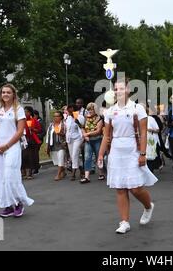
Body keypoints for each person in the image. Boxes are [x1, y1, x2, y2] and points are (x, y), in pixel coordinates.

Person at [97, 79, 157, 234]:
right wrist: (100, 154)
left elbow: (143, 132)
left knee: (135, 188)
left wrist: (143, 153)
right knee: (120, 188)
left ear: (129, 90)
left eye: (122, 88)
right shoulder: (110, 111)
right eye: (116, 89)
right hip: (116, 151)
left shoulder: (137, 109)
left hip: (132, 149)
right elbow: (106, 135)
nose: (118, 91)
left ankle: (148, 206)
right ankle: (124, 221)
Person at [0, 84, 34, 218]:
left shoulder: (18, 109)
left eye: (8, 92)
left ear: (13, 94)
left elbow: (20, 131)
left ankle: (19, 203)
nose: (5, 94)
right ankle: (8, 206)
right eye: (3, 92)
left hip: (12, 147)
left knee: (10, 175)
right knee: (1, 177)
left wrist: (7, 145)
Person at [81, 102, 104, 183]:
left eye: (91, 109)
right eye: (88, 109)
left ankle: (101, 173)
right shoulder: (85, 118)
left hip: (97, 139)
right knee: (87, 157)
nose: (90, 111)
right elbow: (82, 127)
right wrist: (84, 135)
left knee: (99, 156)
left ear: (95, 110)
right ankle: (87, 177)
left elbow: (98, 131)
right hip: (88, 140)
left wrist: (87, 134)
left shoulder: (99, 118)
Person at [45, 111, 67, 181]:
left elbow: (67, 134)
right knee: (56, 162)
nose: (55, 118)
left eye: (57, 116)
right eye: (54, 116)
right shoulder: (51, 125)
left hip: (61, 145)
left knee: (60, 159)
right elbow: (48, 136)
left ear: (61, 117)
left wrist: (60, 133)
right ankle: (63, 170)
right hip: (53, 145)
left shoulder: (64, 125)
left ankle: (58, 175)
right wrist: (47, 146)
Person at [66, 104, 85, 181]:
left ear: (74, 110)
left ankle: (73, 172)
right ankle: (81, 169)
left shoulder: (80, 116)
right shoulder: (68, 118)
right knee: (74, 155)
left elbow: (82, 127)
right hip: (70, 139)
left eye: (70, 110)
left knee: (74, 155)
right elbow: (68, 129)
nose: (68, 111)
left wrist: (77, 121)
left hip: (78, 138)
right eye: (68, 110)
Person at [22, 106, 42, 180]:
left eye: (26, 111)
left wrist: (33, 129)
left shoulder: (34, 120)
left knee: (30, 156)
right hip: (23, 140)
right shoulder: (21, 120)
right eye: (24, 111)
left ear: (30, 112)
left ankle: (29, 172)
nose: (25, 113)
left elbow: (39, 130)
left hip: (31, 140)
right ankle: (23, 171)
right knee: (23, 156)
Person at [32, 110, 45, 175]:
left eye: (33, 115)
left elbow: (43, 132)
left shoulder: (40, 122)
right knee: (32, 154)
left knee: (35, 153)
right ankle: (35, 166)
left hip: (38, 140)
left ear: (36, 115)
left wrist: (38, 136)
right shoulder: (32, 121)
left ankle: (36, 168)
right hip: (32, 140)